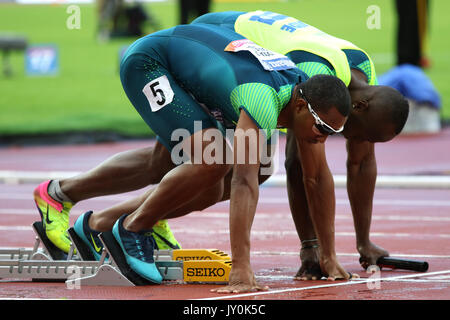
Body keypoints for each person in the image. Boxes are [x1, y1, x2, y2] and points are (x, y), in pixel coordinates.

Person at [70, 23, 351, 291]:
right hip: (149, 63)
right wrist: (241, 267)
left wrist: (328, 254)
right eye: (322, 127)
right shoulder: (264, 103)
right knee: (212, 161)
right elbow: (244, 183)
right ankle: (132, 227)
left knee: (223, 184)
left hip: (196, 73)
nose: (323, 138)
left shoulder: (299, 90)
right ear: (300, 106)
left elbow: (305, 177)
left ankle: (98, 224)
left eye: (334, 131)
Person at [191, 10, 409, 279]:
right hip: (215, 36)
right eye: (365, 136)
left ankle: (146, 215)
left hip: (255, 57)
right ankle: (139, 221)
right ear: (360, 106)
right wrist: (318, 253)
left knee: (255, 171)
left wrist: (364, 243)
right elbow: (308, 173)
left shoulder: (364, 73)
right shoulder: (313, 78)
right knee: (201, 166)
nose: (360, 142)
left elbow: (361, 163)